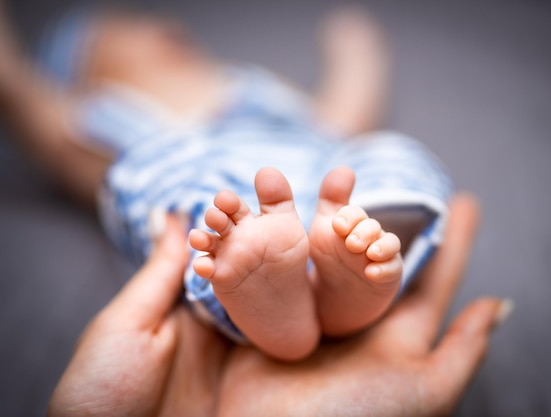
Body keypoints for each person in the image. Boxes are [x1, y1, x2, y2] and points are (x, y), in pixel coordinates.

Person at [1, 2, 453, 360]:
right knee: (209, 219)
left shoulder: (251, 88)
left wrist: (357, 55)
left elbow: (340, 119)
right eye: (130, 23)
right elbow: (22, 95)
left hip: (323, 190)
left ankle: (349, 276)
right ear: (81, 77)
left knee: (389, 153)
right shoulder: (99, 113)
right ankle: (263, 292)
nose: (165, 24)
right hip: (212, 189)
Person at [48, 197, 513, 417]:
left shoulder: (263, 96)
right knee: (234, 236)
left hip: (286, 211)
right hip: (238, 218)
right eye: (111, 30)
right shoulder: (99, 118)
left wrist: (353, 56)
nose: (165, 35)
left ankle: (323, 299)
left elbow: (342, 108)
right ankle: (325, 304)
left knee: (361, 192)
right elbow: (50, 128)